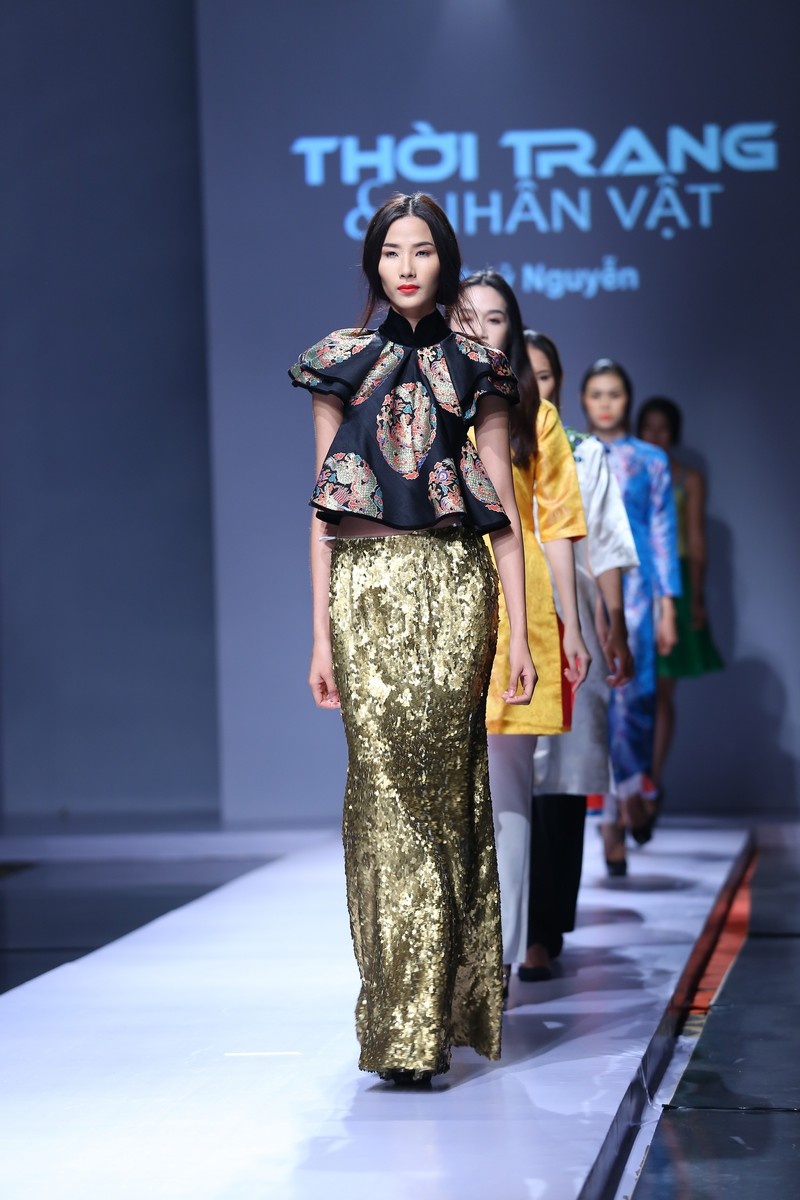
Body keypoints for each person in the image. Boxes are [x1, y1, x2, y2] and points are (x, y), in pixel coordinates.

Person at [289, 194, 536, 1086]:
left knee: (444, 790)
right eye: (391, 251)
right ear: (373, 265)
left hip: (454, 588)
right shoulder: (340, 362)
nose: (405, 265)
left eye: (422, 251)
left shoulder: (480, 369)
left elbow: (501, 509)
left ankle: (431, 1016)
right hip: (363, 594)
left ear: (445, 263)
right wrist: (319, 638)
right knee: (380, 795)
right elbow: (325, 511)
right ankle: (401, 1016)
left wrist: (518, 635)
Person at [453, 274, 590, 993]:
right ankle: (449, 956)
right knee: (447, 790)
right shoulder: (429, 403)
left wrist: (572, 626)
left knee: (508, 789)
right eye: (468, 316)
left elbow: (558, 526)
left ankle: (497, 962)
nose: (482, 327)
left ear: (514, 327)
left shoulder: (536, 416)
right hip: (443, 598)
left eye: (496, 317)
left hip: (521, 606)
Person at [523, 332, 637, 974]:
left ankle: (545, 926)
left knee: (562, 777)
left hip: (573, 617)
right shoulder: (488, 439)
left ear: (558, 383)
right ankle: (515, 929)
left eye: (544, 376)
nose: (534, 385)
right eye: (525, 373)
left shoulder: (584, 452)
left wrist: (612, 627)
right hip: (506, 618)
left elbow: (606, 546)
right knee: (512, 777)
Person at [580, 360, 681, 872]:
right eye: (596, 393)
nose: (605, 403)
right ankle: (611, 820)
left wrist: (668, 607)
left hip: (637, 591)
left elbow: (663, 533)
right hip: (584, 584)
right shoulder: (574, 452)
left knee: (635, 700)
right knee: (596, 702)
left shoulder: (650, 460)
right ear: (583, 399)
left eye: (614, 393)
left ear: (628, 398)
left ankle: (626, 800)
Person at [637, 397, 723, 794]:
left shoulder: (688, 478)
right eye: (649, 427)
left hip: (676, 583)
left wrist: (698, 597)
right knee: (631, 689)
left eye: (663, 428)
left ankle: (652, 779)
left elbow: (696, 540)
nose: (656, 435)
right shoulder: (626, 471)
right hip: (634, 583)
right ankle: (629, 786)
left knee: (663, 689)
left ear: (674, 433)